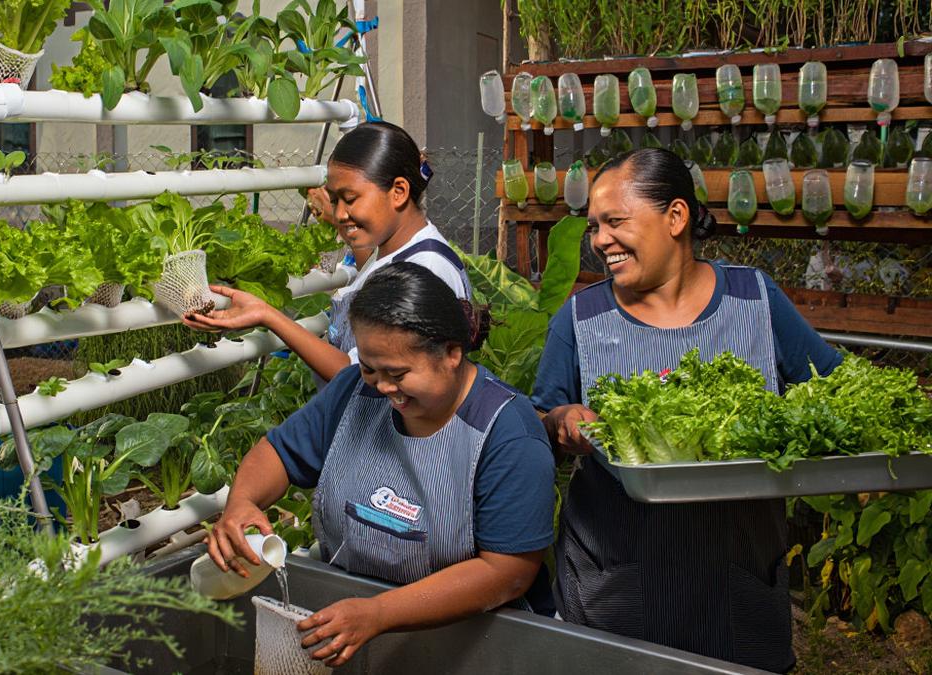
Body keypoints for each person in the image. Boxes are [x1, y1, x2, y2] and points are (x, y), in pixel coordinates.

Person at [532, 148, 842, 672]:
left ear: (675, 216)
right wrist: (559, 422)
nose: (600, 240)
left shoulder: (754, 300)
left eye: (615, 222)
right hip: (617, 583)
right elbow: (539, 423)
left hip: (738, 585)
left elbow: (834, 388)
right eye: (594, 227)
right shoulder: (581, 317)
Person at [208, 263, 557, 667]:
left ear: (451, 353)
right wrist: (242, 502)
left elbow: (507, 572)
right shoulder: (355, 392)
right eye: (370, 368)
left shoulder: (509, 434)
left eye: (398, 373)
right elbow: (279, 453)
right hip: (359, 627)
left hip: (478, 649)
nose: (383, 387)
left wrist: (379, 613)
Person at [183, 122, 470, 382]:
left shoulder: (426, 268)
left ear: (398, 191)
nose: (341, 213)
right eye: (334, 200)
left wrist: (267, 315)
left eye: (350, 199)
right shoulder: (394, 250)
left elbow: (358, 376)